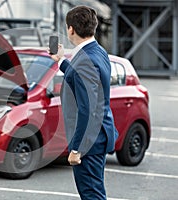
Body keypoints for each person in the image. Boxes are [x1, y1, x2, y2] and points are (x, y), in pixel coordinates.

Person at [50, 5, 119, 200]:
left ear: (71, 29)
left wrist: (76, 149)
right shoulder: (98, 52)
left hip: (90, 141)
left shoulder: (85, 60)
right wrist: (61, 61)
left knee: (91, 194)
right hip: (99, 135)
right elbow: (85, 80)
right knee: (94, 191)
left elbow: (86, 110)